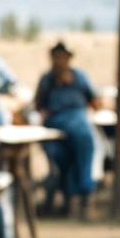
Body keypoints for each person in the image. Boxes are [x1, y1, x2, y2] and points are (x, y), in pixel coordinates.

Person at [34, 41, 99, 217]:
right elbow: (38, 105)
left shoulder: (80, 77)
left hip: (78, 120)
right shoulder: (47, 80)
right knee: (61, 157)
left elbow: (95, 101)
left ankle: (85, 194)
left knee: (84, 146)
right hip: (56, 124)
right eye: (56, 58)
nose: (59, 61)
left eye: (63, 57)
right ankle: (72, 197)